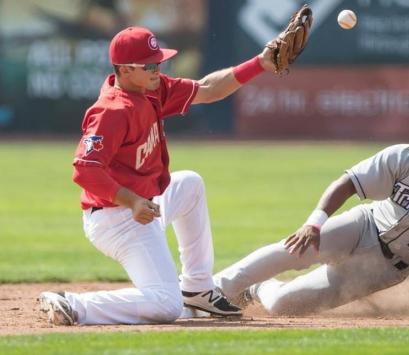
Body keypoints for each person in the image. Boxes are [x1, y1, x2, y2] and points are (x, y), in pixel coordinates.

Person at [38, 26, 280, 325]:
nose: (158, 69)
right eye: (150, 64)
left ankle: (197, 288)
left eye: (159, 61)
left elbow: (207, 88)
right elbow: (85, 169)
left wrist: (260, 63)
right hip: (117, 218)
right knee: (166, 305)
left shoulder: (152, 88)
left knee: (189, 184)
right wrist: (132, 201)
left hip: (144, 205)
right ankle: (74, 305)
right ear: (125, 70)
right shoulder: (111, 111)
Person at [214, 103, 409, 316]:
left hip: (386, 268)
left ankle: (257, 289)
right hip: (363, 225)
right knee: (293, 250)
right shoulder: (405, 156)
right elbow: (348, 183)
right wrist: (314, 223)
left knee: (282, 305)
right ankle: (213, 289)